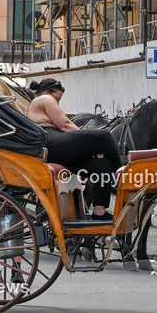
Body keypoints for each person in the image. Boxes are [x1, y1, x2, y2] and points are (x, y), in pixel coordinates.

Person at [24, 78, 120, 220]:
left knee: (102, 164)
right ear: (46, 92)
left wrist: (87, 142)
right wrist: (91, 141)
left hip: (55, 146)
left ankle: (99, 211)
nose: (57, 103)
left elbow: (65, 129)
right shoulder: (44, 98)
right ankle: (122, 175)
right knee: (104, 136)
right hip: (50, 140)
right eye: (57, 99)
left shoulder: (33, 106)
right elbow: (65, 125)